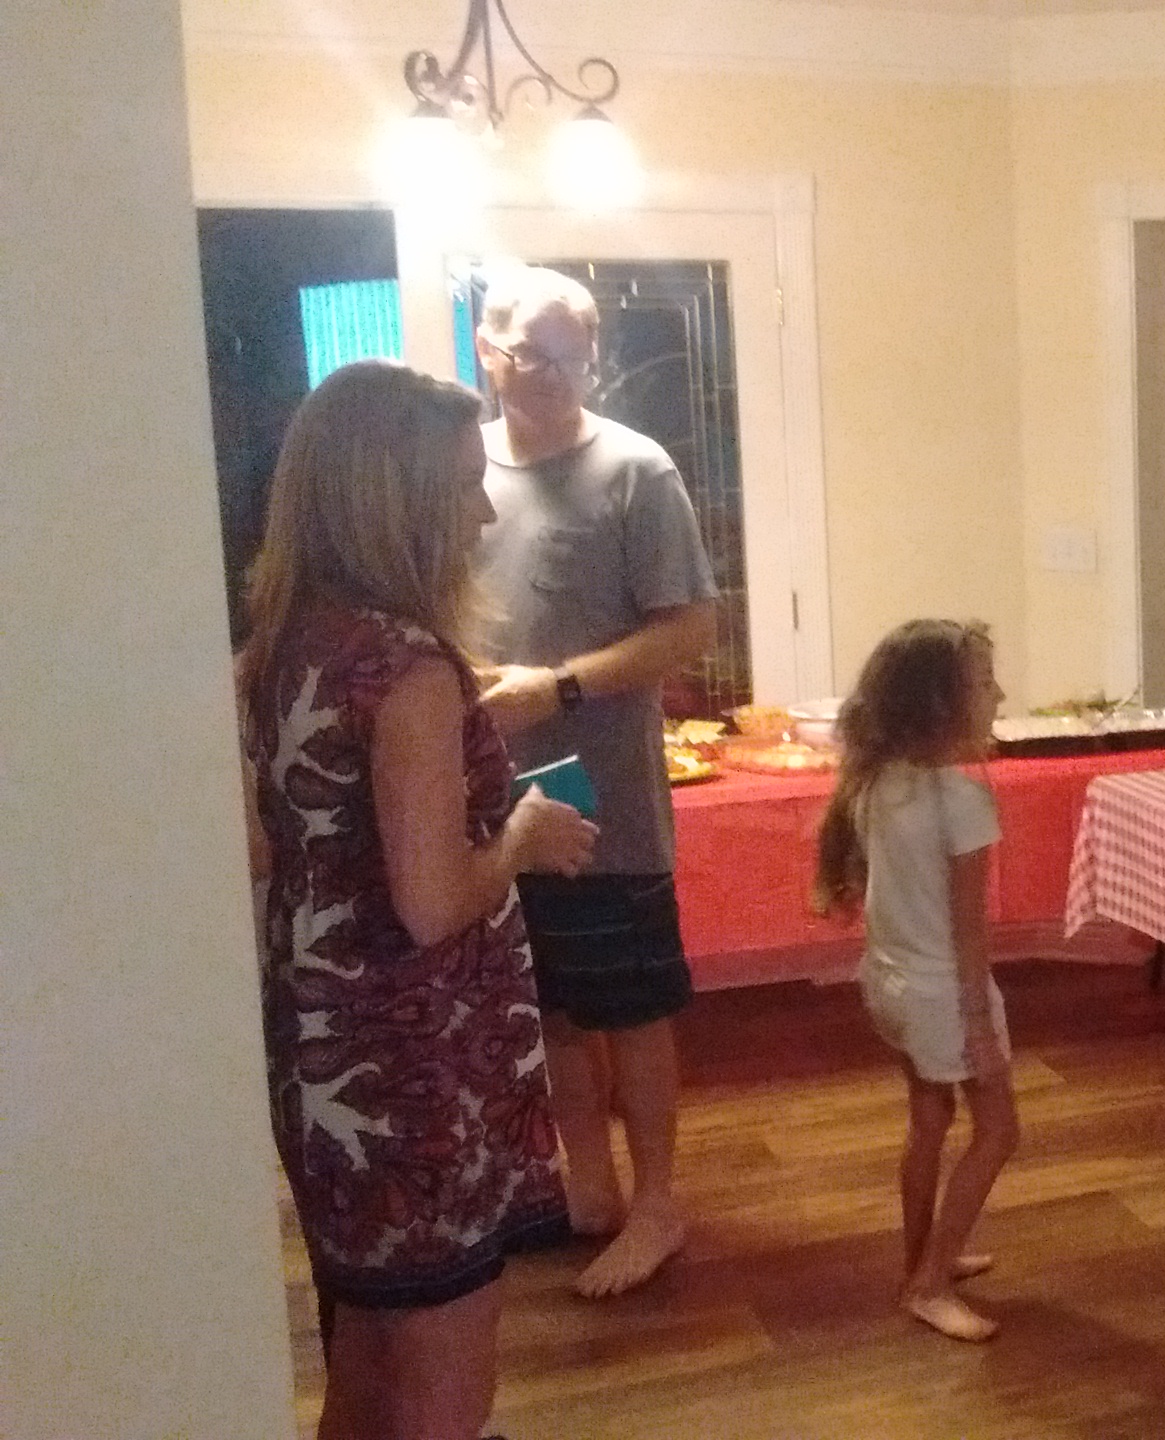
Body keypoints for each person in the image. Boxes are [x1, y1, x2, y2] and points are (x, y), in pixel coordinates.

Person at [238, 359, 599, 1439]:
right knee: (444, 1388)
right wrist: (521, 835)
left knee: (364, 1364)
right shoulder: (408, 669)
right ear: (390, 501)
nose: (481, 512)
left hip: (319, 1050)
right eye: (459, 485)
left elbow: (273, 848)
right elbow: (433, 904)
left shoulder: (280, 645)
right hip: (419, 1066)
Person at [472, 266, 719, 1298]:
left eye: (572, 355)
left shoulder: (635, 469)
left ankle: (657, 1203)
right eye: (532, 353)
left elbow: (691, 628)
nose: (553, 374)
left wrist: (558, 687)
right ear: (486, 349)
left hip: (605, 797)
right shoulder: (458, 469)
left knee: (631, 1004)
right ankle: (590, 1186)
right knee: (551, 1008)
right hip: (488, 800)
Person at [811, 619, 1020, 1343]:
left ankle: (925, 1259)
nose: (999, 695)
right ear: (940, 706)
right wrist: (980, 1028)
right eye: (985, 684)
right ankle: (928, 1286)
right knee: (999, 1131)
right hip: (942, 997)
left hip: (889, 985)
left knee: (930, 1119)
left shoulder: (874, 782)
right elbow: (969, 935)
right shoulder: (961, 803)